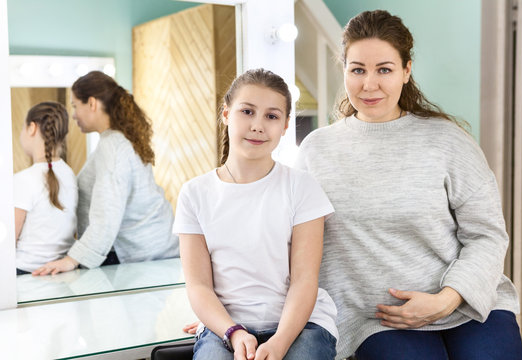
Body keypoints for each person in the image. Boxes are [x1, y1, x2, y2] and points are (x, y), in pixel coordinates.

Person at [295, 10, 522, 360]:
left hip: (467, 302)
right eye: (358, 69)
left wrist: (448, 298)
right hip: (378, 317)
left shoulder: (447, 140)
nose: (369, 84)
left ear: (406, 71)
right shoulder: (315, 151)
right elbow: (288, 238)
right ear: (344, 71)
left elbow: (487, 235)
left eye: (384, 69)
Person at [174, 68, 338, 360]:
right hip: (225, 328)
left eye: (272, 116)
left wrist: (279, 343)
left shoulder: (302, 187)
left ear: (286, 125)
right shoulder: (194, 193)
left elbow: (304, 280)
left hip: (301, 325)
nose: (258, 125)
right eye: (247, 111)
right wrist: (232, 332)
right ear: (226, 114)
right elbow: (199, 286)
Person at [33, 71, 178, 275]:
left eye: (75, 106)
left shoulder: (114, 147)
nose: (73, 114)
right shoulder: (115, 141)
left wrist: (72, 259)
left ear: (92, 103)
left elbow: (107, 215)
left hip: (145, 256)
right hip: (151, 250)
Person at [14, 101, 78, 275]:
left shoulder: (23, 179)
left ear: (32, 128)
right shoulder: (70, 174)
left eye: (22, 128)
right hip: (60, 273)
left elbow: (9, 238)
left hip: (25, 272)